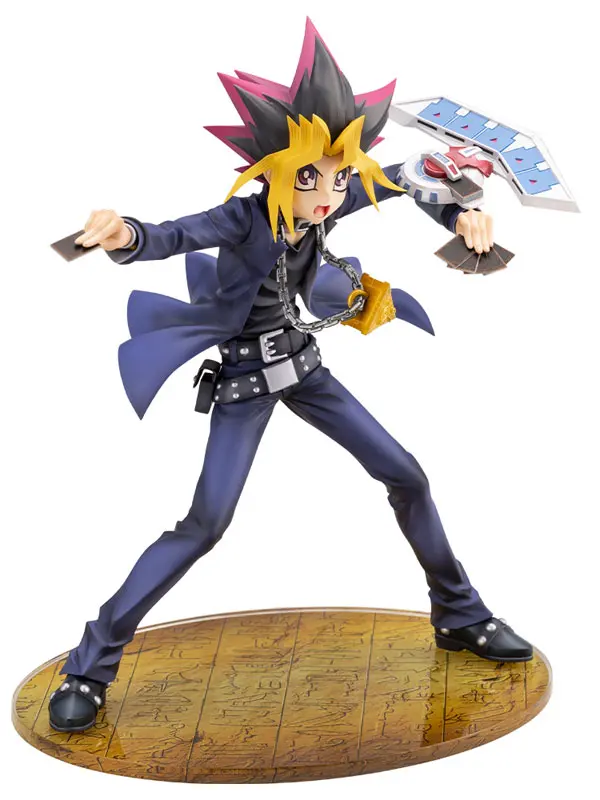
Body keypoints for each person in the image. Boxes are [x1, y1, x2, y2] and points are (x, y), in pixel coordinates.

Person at [48, 18, 532, 734]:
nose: (328, 193)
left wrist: (464, 212)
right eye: (310, 177)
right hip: (245, 381)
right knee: (204, 524)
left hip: (304, 367)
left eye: (337, 176)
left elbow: (409, 177)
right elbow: (172, 235)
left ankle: (461, 614)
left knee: (407, 475)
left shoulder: (331, 199)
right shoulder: (242, 219)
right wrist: (125, 234)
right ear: (272, 169)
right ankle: (89, 667)